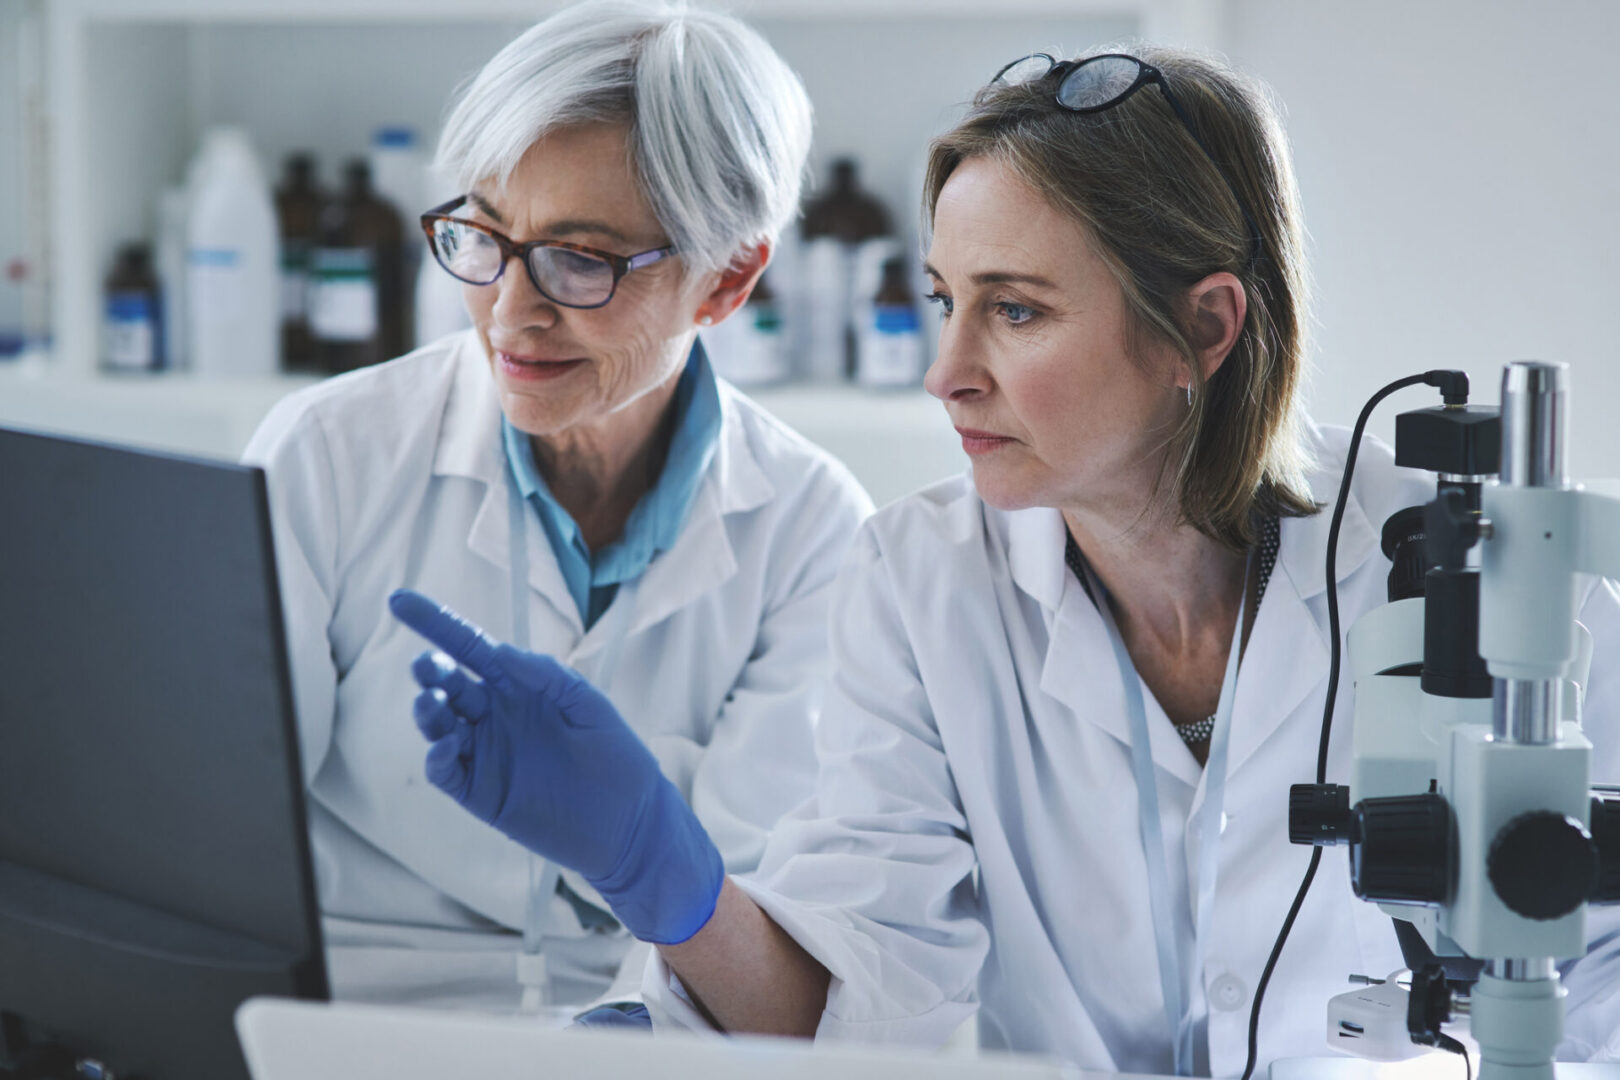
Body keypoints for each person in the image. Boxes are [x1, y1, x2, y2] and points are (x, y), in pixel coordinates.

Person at [389, 43, 1620, 1072]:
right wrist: (664, 872)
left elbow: (1602, 986)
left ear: (1206, 323)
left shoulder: (1483, 577)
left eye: (1017, 309)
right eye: (945, 300)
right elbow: (869, 1019)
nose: (948, 372)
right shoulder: (922, 585)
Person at [243, 0, 871, 1013]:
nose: (510, 309)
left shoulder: (809, 529)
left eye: (579, 260)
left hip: (641, 1028)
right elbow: (223, 852)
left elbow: (779, 995)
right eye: (484, 236)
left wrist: (648, 858)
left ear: (727, 280)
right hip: (346, 1013)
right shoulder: (327, 455)